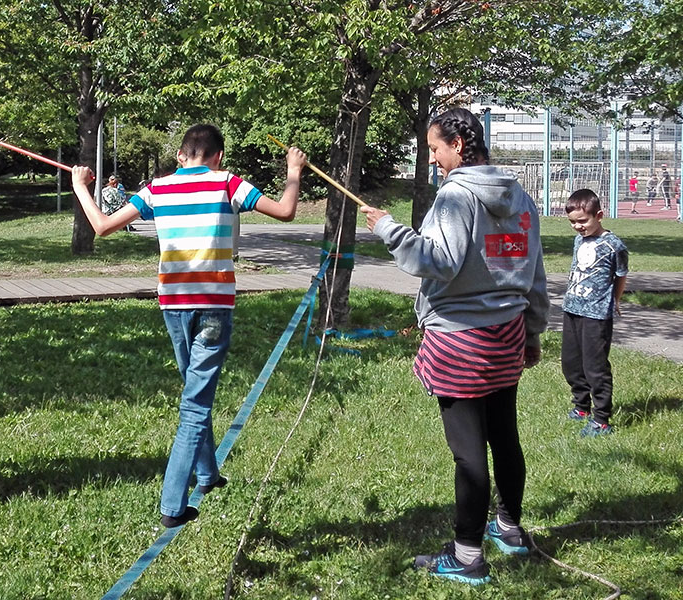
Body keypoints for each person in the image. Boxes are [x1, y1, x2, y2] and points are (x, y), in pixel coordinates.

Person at [71, 124, 307, 528]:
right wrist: (294, 171)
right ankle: (172, 506)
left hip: (174, 306)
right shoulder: (228, 183)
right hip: (214, 307)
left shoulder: (156, 188)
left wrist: (80, 186)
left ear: (181, 156)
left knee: (194, 392)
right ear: (217, 157)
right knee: (195, 404)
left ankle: (207, 474)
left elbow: (102, 226)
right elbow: (286, 211)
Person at [361, 108, 549, 586]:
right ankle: (508, 527)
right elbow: (534, 275)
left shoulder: (454, 197)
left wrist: (387, 228)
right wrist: (531, 332)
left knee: (469, 451)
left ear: (459, 146)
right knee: (504, 435)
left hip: (460, 337)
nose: (434, 159)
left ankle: (468, 554)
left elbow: (437, 261)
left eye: (435, 149)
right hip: (506, 334)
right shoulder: (521, 196)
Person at [561, 189, 628, 437]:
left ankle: (601, 419)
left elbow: (621, 276)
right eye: (573, 222)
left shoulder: (614, 245)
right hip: (572, 309)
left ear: (599, 215)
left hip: (597, 314)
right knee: (571, 364)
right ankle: (581, 408)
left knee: (595, 367)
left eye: (582, 221)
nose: (578, 227)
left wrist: (616, 301)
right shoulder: (579, 240)